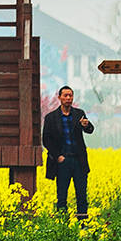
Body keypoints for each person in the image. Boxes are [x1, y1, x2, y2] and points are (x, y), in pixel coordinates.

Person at [41, 85, 95, 219]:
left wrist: (86, 125)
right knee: (62, 196)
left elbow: (90, 129)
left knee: (82, 195)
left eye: (70, 95)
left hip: (79, 161)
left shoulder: (79, 113)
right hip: (62, 162)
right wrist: (57, 156)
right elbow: (46, 140)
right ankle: (62, 225)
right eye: (65, 95)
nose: (68, 98)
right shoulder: (51, 118)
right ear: (59, 98)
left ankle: (83, 224)